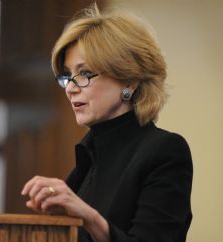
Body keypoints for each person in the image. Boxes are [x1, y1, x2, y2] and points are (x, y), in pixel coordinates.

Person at [21, 3, 193, 242]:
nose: (70, 88)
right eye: (68, 76)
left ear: (129, 81)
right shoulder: (86, 161)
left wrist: (89, 218)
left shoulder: (165, 151)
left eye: (84, 73)